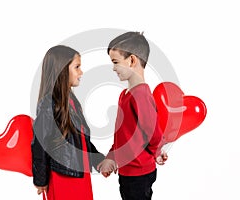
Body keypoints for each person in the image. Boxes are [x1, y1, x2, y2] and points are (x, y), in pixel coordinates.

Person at [97, 32, 168, 200]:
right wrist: (111, 157)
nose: (113, 68)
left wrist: (157, 151)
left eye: (115, 62)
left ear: (132, 60)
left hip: (139, 174)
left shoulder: (141, 95)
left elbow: (153, 133)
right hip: (128, 173)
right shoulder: (125, 94)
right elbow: (123, 136)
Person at [31, 45, 105, 200]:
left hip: (80, 173)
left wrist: (98, 160)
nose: (81, 72)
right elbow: (40, 143)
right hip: (64, 176)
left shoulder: (71, 100)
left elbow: (82, 140)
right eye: (77, 67)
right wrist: (41, 180)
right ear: (62, 70)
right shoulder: (49, 103)